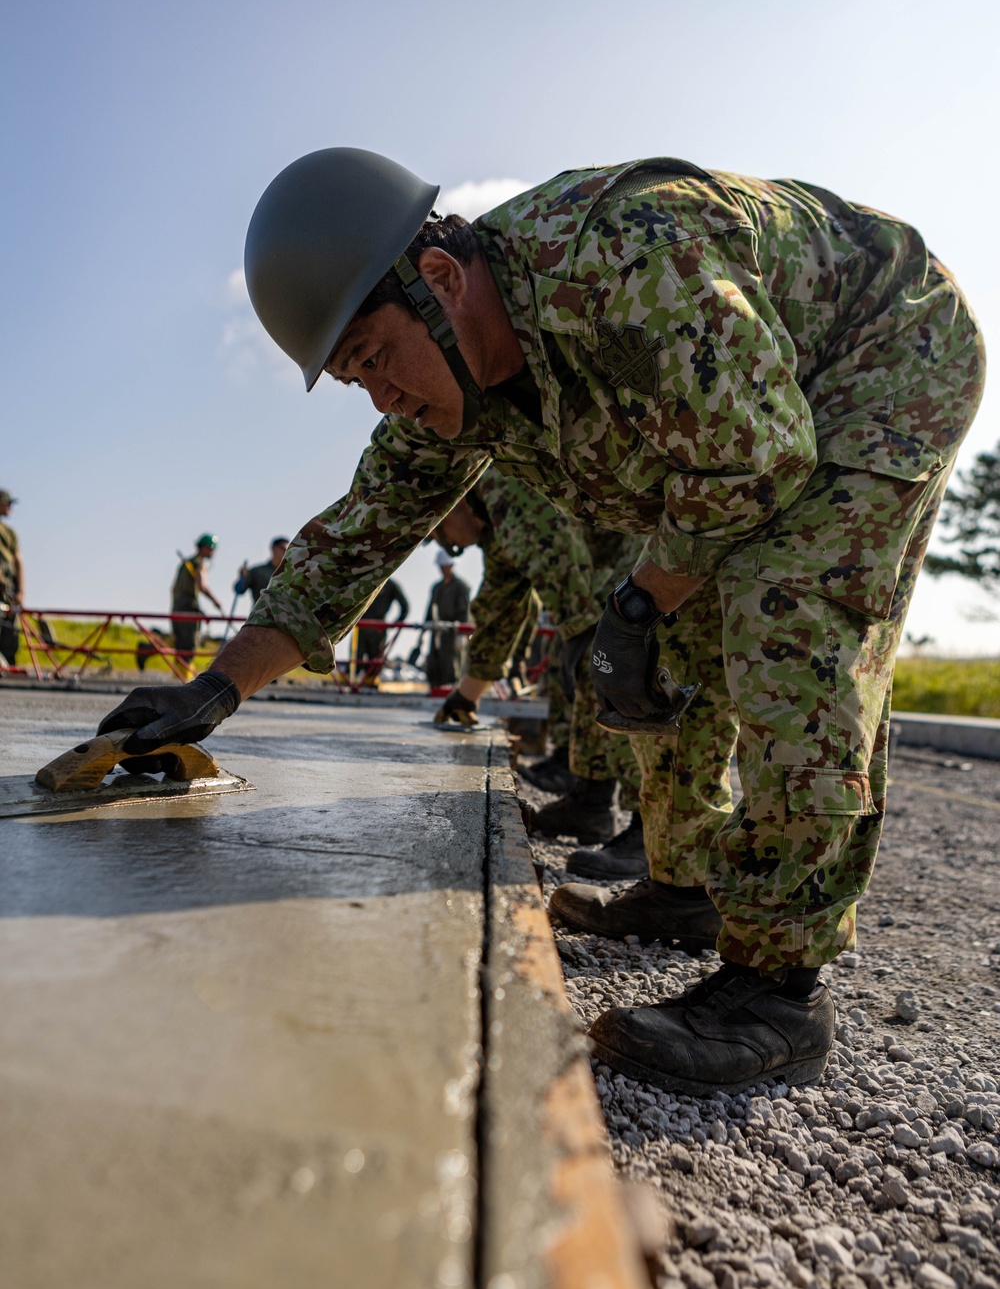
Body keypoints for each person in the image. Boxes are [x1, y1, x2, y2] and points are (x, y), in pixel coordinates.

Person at [99, 148, 984, 1097]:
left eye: (375, 360)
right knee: (672, 641)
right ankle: (683, 889)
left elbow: (760, 460)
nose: (383, 397)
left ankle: (779, 987)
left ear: (439, 279)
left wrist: (639, 601)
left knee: (787, 613)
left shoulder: (622, 264)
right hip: (746, 427)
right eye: (357, 383)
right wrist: (215, 688)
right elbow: (354, 543)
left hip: (882, 356)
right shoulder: (452, 389)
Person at [433, 466, 652, 855]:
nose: (455, 548)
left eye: (444, 539)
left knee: (607, 666)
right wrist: (466, 696)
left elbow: (557, 551)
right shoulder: (494, 527)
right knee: (589, 664)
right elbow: (500, 612)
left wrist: (582, 627)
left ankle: (648, 832)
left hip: (634, 557)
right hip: (600, 571)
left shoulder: (501, 488)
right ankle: (591, 800)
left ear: (452, 506)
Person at [413, 550, 470, 691]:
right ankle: (435, 686)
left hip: (452, 632)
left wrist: (462, 633)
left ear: (451, 566)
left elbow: (464, 611)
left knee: (450, 662)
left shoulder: (461, 587)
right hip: (436, 630)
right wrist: (422, 633)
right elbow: (430, 610)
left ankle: (451, 687)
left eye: (445, 566)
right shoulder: (437, 588)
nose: (442, 570)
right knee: (434, 661)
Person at [171, 534, 223, 678]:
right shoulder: (199, 563)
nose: (213, 553)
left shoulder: (185, 564)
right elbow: (202, 585)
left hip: (177, 607)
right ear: (204, 548)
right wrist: (215, 601)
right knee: (189, 645)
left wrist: (175, 606)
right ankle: (186, 678)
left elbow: (174, 589)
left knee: (180, 643)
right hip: (189, 607)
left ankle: (179, 676)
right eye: (212, 549)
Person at [355, 574, 409, 682]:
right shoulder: (364, 581)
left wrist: (395, 623)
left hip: (378, 629)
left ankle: (372, 685)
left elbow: (405, 606)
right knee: (356, 662)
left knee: (375, 663)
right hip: (360, 627)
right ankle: (353, 684)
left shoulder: (390, 585)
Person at [0, 489, 25, 667]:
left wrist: (21, 591)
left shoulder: (9, 533)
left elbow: (18, 562)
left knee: (11, 633)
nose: (10, 507)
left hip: (8, 591)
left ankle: (9, 667)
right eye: (7, 503)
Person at [235, 537, 289, 607]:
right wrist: (243, 577)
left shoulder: (290, 574)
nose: (286, 552)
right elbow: (239, 590)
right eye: (284, 549)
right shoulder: (257, 571)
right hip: (260, 615)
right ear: (274, 548)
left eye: (289, 550)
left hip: (283, 616)